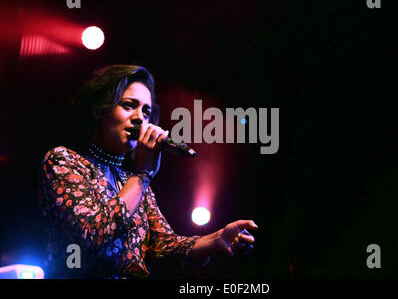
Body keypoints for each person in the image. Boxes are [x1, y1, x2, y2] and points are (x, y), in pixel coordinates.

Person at [38, 65, 258, 278]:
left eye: (146, 111)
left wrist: (216, 239)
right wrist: (143, 174)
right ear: (100, 109)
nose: (139, 118)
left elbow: (163, 246)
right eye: (128, 105)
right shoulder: (63, 161)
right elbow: (90, 234)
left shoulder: (134, 180)